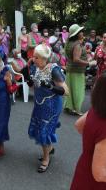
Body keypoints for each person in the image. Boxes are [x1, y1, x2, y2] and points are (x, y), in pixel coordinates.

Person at [28, 44, 69, 173]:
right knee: (41, 128)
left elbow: (66, 91)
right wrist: (30, 79)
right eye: (34, 56)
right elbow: (33, 85)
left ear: (45, 58)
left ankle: (46, 159)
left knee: (44, 131)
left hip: (52, 105)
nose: (34, 59)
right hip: (39, 104)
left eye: (37, 57)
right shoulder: (35, 67)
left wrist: (51, 86)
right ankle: (49, 148)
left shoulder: (54, 70)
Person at [64, 24, 96, 116]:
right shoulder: (77, 45)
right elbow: (76, 59)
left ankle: (69, 106)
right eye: (80, 31)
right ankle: (77, 109)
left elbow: (69, 57)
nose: (82, 33)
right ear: (77, 34)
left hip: (70, 69)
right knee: (78, 90)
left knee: (70, 89)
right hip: (77, 71)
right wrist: (89, 63)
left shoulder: (69, 42)